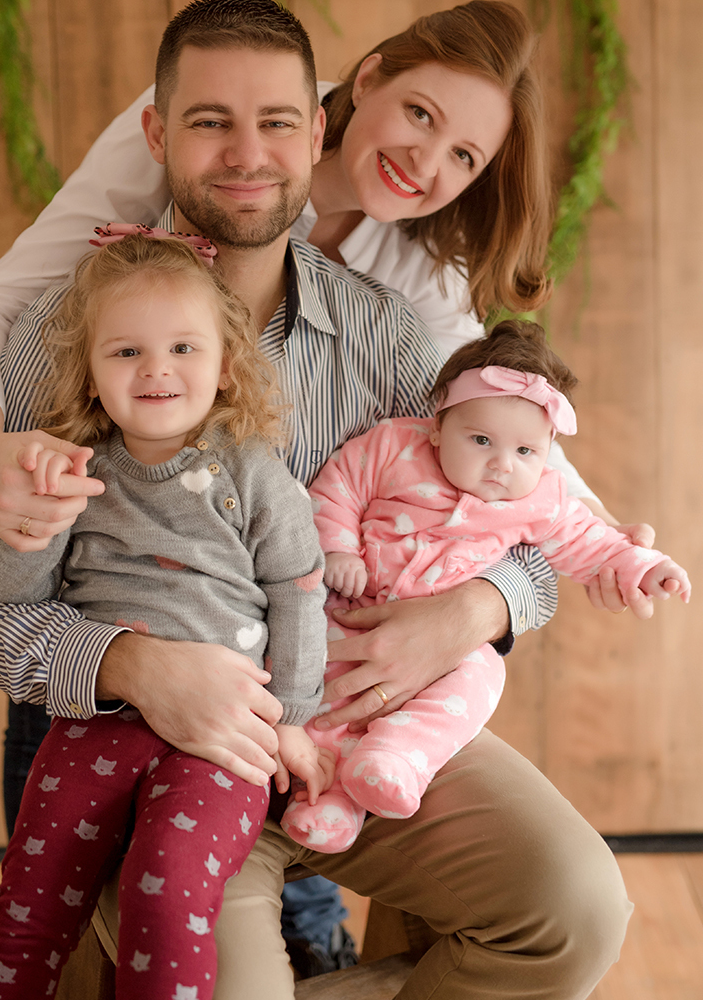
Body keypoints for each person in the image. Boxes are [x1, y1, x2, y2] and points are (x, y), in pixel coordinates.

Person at [0, 0, 632, 1000]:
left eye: (273, 122)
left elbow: (540, 515)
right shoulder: (64, 337)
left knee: (576, 907)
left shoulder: (397, 340)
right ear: (157, 135)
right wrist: (129, 662)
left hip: (355, 735)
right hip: (154, 755)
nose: (246, 154)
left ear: (317, 127)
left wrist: (482, 603)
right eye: (209, 121)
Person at [0, 230, 333, 1000]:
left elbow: (302, 594)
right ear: (91, 372)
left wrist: (296, 719)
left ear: (225, 365)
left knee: (165, 899)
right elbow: (10, 598)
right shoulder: (76, 464)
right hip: (99, 722)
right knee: (29, 902)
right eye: (126, 350)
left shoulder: (256, 474)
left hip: (226, 742)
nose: (156, 369)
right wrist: (30, 523)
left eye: (182, 348)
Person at [282, 320, 690, 851]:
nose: (502, 465)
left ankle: (396, 758)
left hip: (453, 641)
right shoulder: (392, 446)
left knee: (479, 678)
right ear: (436, 427)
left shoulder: (542, 498)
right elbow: (337, 486)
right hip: (354, 606)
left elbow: (593, 544)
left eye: (526, 451)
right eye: (480, 440)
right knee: (323, 685)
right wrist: (338, 549)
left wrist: (642, 566)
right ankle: (324, 796)